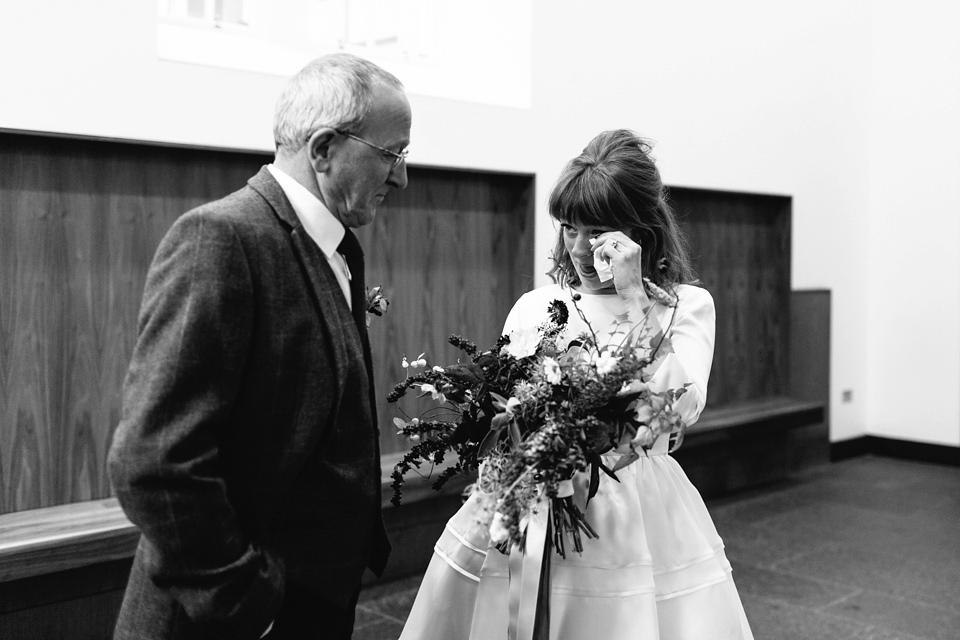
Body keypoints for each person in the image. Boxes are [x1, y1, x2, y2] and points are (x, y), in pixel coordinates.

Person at [399, 130, 754, 639]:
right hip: (531, 495)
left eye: (601, 232)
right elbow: (508, 409)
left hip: (631, 504)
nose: (583, 250)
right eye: (570, 229)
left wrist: (635, 295)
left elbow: (677, 410)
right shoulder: (537, 305)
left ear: (641, 231)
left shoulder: (684, 305)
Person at [107, 52, 411, 640]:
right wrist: (248, 603)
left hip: (313, 598)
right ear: (323, 149)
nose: (401, 176)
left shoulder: (333, 247)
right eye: (392, 155)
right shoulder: (221, 238)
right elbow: (154, 460)